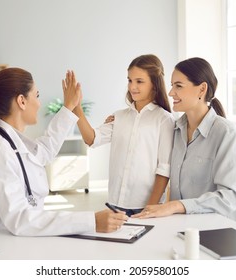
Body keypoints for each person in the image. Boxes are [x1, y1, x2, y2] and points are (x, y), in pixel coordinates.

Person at [0, 67, 127, 236]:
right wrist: (91, 221)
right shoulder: (0, 152)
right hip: (8, 245)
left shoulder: (11, 143)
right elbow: (20, 220)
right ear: (22, 101)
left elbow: (45, 149)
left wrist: (69, 106)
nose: (39, 103)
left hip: (22, 239)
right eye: (37, 95)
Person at [133, 57, 236, 223]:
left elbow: (229, 198)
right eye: (172, 85)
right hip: (181, 226)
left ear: (201, 89)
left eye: (178, 86)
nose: (171, 92)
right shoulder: (176, 129)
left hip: (217, 228)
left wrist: (175, 206)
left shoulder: (226, 133)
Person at [68, 54, 175, 216]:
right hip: (115, 203)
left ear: (154, 84)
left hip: (145, 206)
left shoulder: (164, 119)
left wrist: (150, 207)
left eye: (139, 81)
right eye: (130, 80)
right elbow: (91, 138)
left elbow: (164, 168)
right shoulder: (119, 117)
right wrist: (76, 107)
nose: (132, 87)